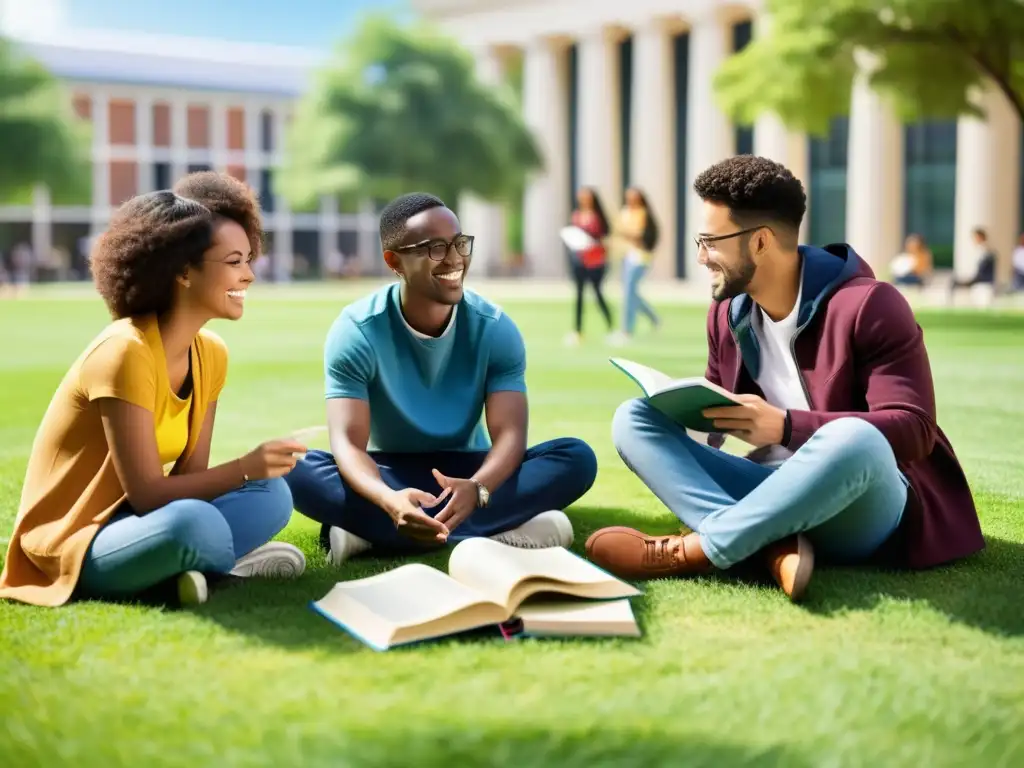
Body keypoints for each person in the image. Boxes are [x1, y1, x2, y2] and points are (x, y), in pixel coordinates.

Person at [585, 155, 984, 601]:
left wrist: (785, 426)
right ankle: (773, 544)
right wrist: (687, 413)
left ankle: (696, 550)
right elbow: (711, 419)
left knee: (857, 438)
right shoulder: (727, 312)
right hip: (775, 486)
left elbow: (914, 430)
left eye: (710, 242)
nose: (700, 257)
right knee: (632, 419)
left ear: (759, 242)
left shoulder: (871, 305)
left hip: (863, 503)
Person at [0, 172, 308, 609]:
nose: (250, 275)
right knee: (194, 523)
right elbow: (147, 492)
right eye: (235, 261)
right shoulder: (125, 350)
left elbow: (188, 480)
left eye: (249, 259)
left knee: (272, 495)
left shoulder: (211, 355)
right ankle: (212, 566)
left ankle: (196, 568)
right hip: (74, 540)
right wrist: (244, 466)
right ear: (184, 271)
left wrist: (254, 473)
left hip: (139, 522)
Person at [285, 192, 598, 565]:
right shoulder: (356, 331)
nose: (454, 259)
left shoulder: (495, 328)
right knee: (294, 465)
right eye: (434, 248)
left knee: (576, 457)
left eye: (459, 244)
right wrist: (388, 499)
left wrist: (480, 487)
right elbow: (349, 445)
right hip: (389, 470)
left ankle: (370, 535)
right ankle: (504, 530)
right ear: (394, 261)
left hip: (472, 469)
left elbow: (511, 435)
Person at [564, 186, 614, 346]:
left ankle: (610, 326)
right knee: (578, 296)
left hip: (595, 260)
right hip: (579, 260)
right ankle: (578, 330)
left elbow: (604, 235)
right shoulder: (577, 215)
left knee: (597, 294)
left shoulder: (597, 216)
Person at [612, 187, 660, 344]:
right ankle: (653, 318)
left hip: (641, 257)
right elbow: (619, 231)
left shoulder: (643, 214)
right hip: (627, 256)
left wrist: (630, 235)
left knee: (629, 293)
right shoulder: (624, 212)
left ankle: (627, 330)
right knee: (630, 293)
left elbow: (641, 235)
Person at [948, 227, 997, 303]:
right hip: (980, 278)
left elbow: (981, 271)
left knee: (954, 282)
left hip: (982, 279)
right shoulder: (984, 250)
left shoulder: (984, 251)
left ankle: (952, 303)